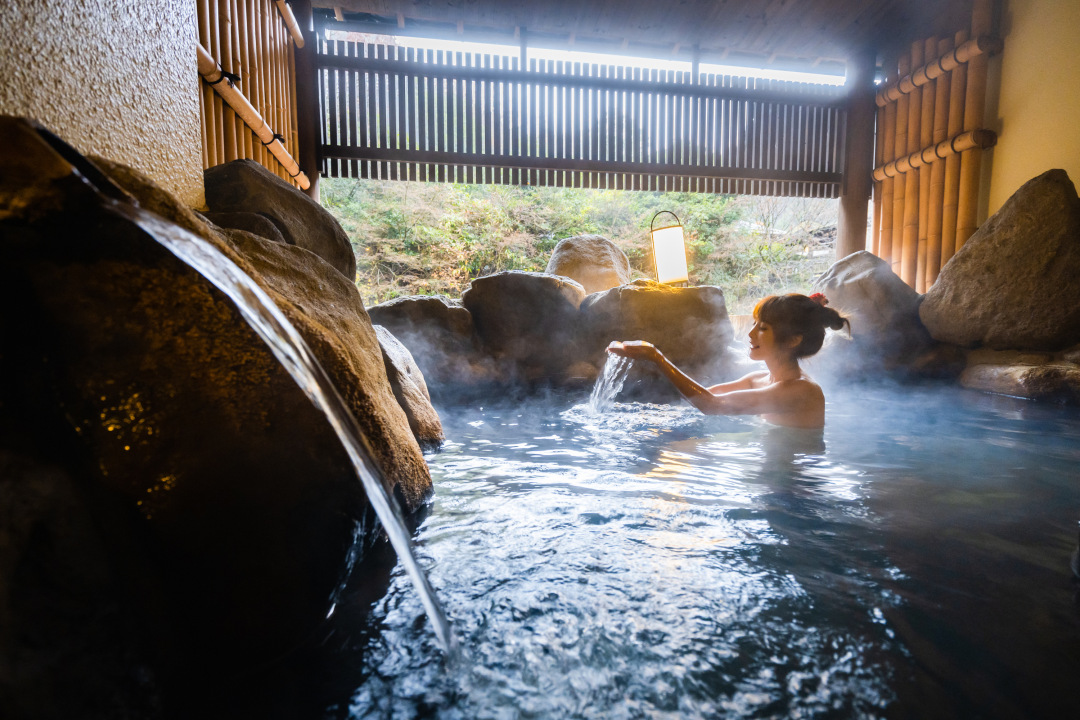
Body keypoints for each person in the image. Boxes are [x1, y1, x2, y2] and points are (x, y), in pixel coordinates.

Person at [607, 293, 849, 429]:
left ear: (793, 340)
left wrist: (655, 357)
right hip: (771, 478)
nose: (750, 334)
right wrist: (647, 417)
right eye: (754, 324)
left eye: (762, 328)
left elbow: (711, 405)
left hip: (796, 491)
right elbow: (699, 399)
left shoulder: (803, 391)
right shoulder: (758, 380)